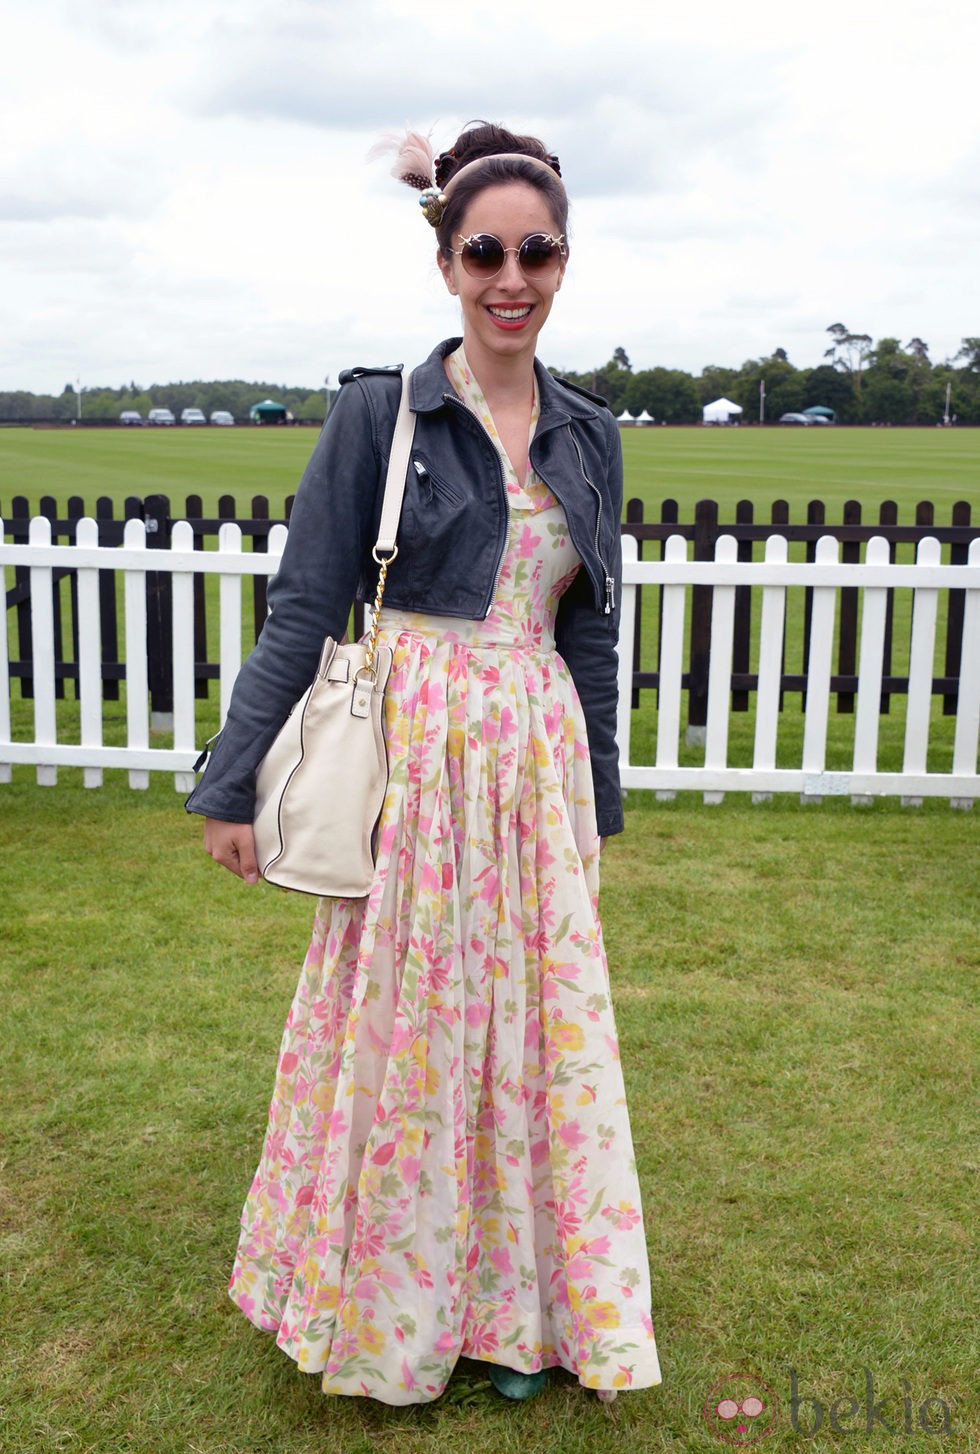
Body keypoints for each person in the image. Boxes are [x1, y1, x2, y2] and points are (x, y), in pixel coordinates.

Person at [186, 121, 662, 1407]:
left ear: (564, 260)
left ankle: (520, 1314)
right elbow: (305, 605)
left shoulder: (586, 431)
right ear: (447, 259)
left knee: (534, 1039)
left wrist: (595, 799)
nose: (512, 276)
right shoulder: (378, 416)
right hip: (416, 761)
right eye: (486, 251)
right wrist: (234, 784)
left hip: (532, 761)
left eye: (538, 251)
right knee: (408, 1038)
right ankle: (395, 1310)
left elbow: (588, 630)